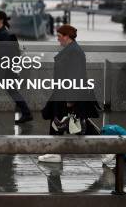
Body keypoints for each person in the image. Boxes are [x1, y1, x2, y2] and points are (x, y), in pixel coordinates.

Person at [38, 24, 101, 163]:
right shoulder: (72, 50)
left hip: (69, 93)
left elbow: (77, 76)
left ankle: (108, 148)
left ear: (67, 36)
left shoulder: (75, 52)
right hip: (63, 92)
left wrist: (71, 99)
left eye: (59, 37)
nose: (58, 39)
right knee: (57, 120)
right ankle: (54, 152)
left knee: (76, 125)